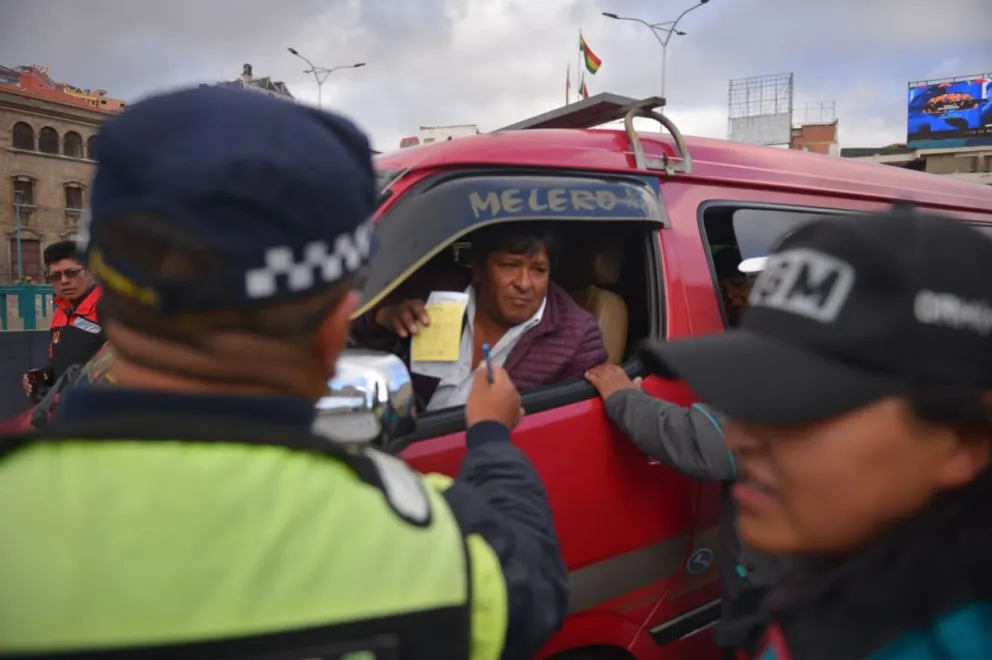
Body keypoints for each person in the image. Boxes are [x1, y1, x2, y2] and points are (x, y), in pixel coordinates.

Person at [0, 86, 568, 660]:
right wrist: (493, 439)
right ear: (334, 321)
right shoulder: (426, 542)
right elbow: (533, 592)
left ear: (109, 297)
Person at [637, 208, 992, 659]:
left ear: (963, 441)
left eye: (802, 406)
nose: (738, 440)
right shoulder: (835, 599)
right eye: (751, 396)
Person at [584, 260, 782, 658]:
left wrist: (624, 399)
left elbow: (706, 441)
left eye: (750, 287)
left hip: (778, 592)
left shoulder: (794, 376)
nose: (739, 294)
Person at [353, 222, 608, 409]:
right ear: (478, 269)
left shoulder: (577, 335)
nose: (524, 283)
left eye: (538, 270)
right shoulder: (434, 288)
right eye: (510, 266)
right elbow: (347, 319)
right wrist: (383, 317)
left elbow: (572, 426)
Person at [21, 240, 104, 400]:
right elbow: (61, 364)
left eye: (71, 272)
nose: (64, 281)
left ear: (90, 271)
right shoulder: (60, 313)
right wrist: (43, 376)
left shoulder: (111, 309)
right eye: (55, 276)